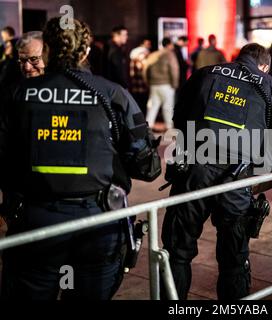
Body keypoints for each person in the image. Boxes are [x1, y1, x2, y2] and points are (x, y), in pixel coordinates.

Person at [0, 17, 158, 300]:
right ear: (85, 50)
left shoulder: (16, 94)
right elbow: (145, 165)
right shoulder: (112, 94)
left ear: (46, 49)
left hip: (35, 220)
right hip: (98, 223)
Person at [160, 43, 272, 300]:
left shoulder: (205, 73)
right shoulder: (270, 85)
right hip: (237, 179)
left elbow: (179, 115)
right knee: (233, 257)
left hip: (193, 171)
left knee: (177, 250)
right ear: (264, 65)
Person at [145, 37, 179, 131]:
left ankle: (149, 124)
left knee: (153, 106)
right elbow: (174, 70)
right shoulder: (170, 55)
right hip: (166, 84)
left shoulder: (153, 54)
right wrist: (175, 84)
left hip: (153, 84)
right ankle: (169, 126)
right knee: (168, 106)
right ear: (169, 45)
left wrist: (148, 82)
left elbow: (145, 69)